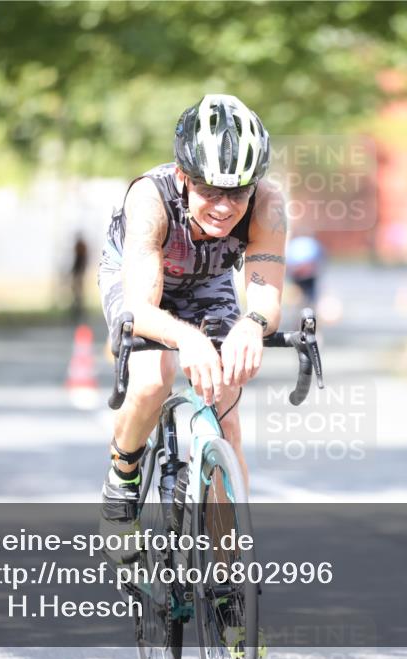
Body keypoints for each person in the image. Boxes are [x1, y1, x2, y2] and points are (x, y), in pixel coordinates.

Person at [97, 93, 286, 526]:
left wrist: (251, 326)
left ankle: (225, 574)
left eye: (238, 191)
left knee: (227, 414)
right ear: (183, 175)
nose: (224, 206)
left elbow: (265, 295)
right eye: (208, 189)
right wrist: (188, 338)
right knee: (152, 381)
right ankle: (122, 475)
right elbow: (142, 309)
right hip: (142, 280)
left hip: (208, 279)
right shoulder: (150, 199)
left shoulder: (268, 205)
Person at [70, 232, 89, 322]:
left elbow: (79, 262)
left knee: (78, 293)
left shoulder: (80, 247)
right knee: (77, 293)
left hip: (79, 274)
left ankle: (78, 311)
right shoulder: (81, 247)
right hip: (78, 273)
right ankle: (77, 310)